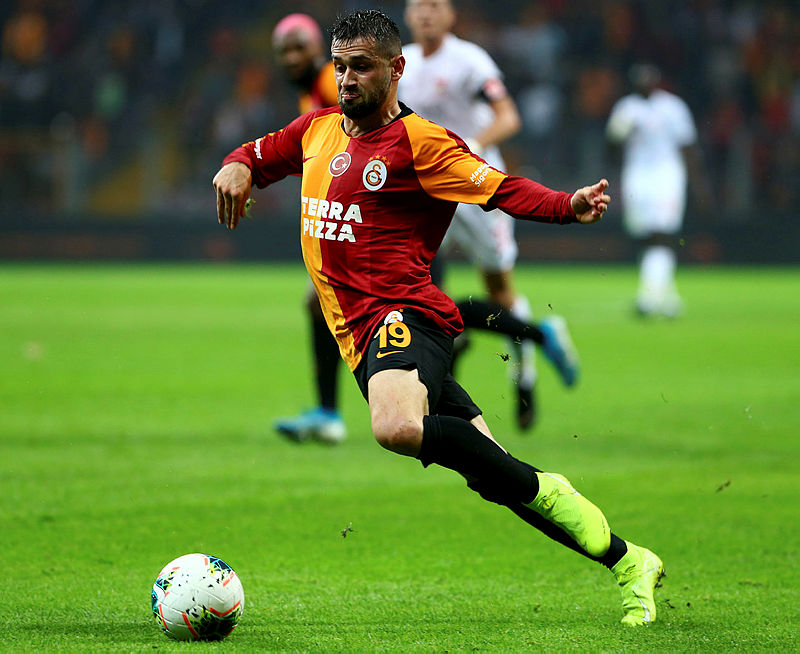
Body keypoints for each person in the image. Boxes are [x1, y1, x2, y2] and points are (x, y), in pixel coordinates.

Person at [213, 10, 663, 626]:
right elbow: (258, 154)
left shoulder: (422, 143)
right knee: (496, 475)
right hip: (360, 335)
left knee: (396, 426)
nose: (346, 79)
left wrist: (568, 204)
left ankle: (549, 484)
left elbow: (500, 188)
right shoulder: (317, 129)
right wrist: (237, 163)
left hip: (405, 317)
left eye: (361, 66)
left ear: (395, 68)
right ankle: (630, 561)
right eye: (340, 67)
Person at [399, 0, 578, 430]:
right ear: (407, 14)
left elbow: (508, 117)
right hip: (427, 195)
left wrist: (471, 146)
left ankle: (525, 374)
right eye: (418, 5)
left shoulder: (470, 61)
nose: (425, 13)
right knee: (424, 296)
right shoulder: (399, 63)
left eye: (434, 5)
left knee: (499, 293)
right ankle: (441, 390)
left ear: (451, 14)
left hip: (476, 188)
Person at [270, 13, 347, 444]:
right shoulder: (310, 90)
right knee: (317, 303)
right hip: (345, 208)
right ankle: (327, 413)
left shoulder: (329, 83)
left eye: (299, 47)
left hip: (367, 207)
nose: (291, 57)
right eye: (284, 51)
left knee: (432, 312)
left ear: (319, 48)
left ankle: (537, 332)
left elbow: (366, 130)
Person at [606, 63, 702, 318]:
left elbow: (687, 146)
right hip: (637, 177)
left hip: (667, 176)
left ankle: (649, 296)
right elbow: (611, 149)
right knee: (645, 235)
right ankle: (666, 295)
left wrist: (697, 183)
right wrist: (617, 134)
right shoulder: (627, 108)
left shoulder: (672, 107)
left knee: (663, 232)